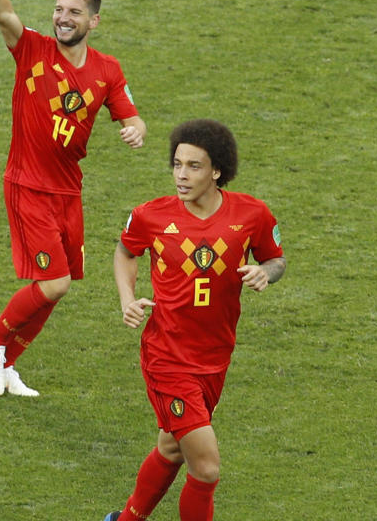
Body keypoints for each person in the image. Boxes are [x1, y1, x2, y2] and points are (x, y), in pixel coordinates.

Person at [0, 0, 147, 397]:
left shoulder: (107, 70)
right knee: (53, 281)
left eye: (74, 12)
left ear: (92, 21)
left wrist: (135, 130)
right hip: (28, 184)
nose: (63, 17)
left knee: (58, 288)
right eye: (59, 9)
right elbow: (4, 15)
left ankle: (5, 360)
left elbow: (131, 115)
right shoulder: (32, 50)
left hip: (68, 190)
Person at [104, 120, 286, 521]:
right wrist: (127, 299)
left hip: (216, 357)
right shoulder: (151, 216)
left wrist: (263, 273)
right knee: (205, 467)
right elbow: (124, 252)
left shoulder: (251, 214)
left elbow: (276, 258)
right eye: (176, 164)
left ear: (217, 170)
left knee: (171, 447)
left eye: (194, 166)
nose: (181, 176)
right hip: (167, 356)